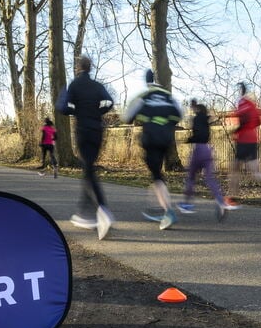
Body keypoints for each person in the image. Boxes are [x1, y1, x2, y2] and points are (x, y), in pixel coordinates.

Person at [57, 56, 115, 240]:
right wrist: (97, 112)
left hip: (82, 130)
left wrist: (76, 111)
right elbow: (109, 102)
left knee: (88, 170)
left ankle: (102, 210)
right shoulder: (97, 86)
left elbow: (62, 107)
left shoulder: (74, 85)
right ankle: (85, 212)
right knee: (88, 169)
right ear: (89, 68)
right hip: (97, 131)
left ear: (78, 68)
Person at [122, 69, 183, 230]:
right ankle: (158, 205)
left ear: (147, 81)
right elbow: (179, 114)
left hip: (151, 139)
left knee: (156, 176)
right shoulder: (168, 96)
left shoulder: (144, 96)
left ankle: (168, 211)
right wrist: (166, 123)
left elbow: (127, 116)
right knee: (157, 173)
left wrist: (143, 119)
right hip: (166, 139)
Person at [225, 82, 261, 210]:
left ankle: (233, 199)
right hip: (253, 138)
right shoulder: (252, 104)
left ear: (239, 91)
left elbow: (244, 119)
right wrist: (249, 128)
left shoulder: (242, 103)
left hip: (243, 140)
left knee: (235, 169)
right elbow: (258, 120)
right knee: (256, 172)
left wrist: (236, 131)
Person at [177, 99, 228, 221]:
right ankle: (221, 201)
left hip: (199, 150)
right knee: (210, 178)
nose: (192, 110)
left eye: (193, 109)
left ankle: (187, 204)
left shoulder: (197, 119)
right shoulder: (206, 118)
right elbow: (211, 122)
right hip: (208, 149)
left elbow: (198, 135)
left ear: (197, 109)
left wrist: (188, 140)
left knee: (191, 177)